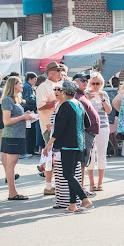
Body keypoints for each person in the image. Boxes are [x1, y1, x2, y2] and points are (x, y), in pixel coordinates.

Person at [42, 80, 93, 213]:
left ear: (64, 92)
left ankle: (84, 199)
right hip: (79, 144)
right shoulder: (79, 104)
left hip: (68, 145)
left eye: (60, 90)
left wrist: (48, 145)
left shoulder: (65, 106)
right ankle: (72, 204)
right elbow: (87, 123)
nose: (58, 92)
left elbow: (58, 130)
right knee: (71, 174)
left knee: (68, 174)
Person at [2, 76, 36, 200]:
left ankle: (12, 192)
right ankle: (12, 192)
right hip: (13, 135)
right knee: (10, 164)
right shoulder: (8, 100)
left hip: (15, 135)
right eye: (20, 83)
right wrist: (23, 117)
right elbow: (6, 120)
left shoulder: (14, 100)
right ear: (13, 85)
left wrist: (24, 116)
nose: (22, 85)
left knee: (10, 164)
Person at [36, 61, 63, 196]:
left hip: (59, 125)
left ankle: (56, 184)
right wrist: (58, 101)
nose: (60, 72)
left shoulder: (58, 84)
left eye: (60, 70)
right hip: (48, 126)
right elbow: (40, 106)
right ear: (50, 72)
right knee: (50, 156)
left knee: (57, 156)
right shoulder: (43, 87)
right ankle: (48, 185)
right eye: (58, 70)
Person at [73, 73, 100, 197]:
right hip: (84, 132)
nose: (85, 82)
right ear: (74, 82)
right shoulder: (76, 96)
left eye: (85, 80)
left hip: (88, 132)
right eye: (82, 80)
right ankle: (81, 188)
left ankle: (81, 187)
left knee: (84, 161)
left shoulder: (82, 95)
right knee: (82, 162)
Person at [85, 72, 111, 191]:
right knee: (90, 155)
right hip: (89, 127)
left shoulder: (104, 94)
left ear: (101, 84)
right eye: (93, 83)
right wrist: (87, 99)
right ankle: (91, 183)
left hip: (103, 126)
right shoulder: (86, 94)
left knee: (101, 154)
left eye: (98, 83)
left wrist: (103, 99)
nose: (95, 86)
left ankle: (100, 183)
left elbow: (109, 111)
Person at [22, 72, 37, 159]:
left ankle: (29, 149)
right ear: (30, 79)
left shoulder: (27, 86)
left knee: (29, 131)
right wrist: (37, 101)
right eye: (34, 79)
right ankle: (28, 149)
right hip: (29, 110)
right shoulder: (28, 87)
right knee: (29, 132)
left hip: (27, 109)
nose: (35, 81)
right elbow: (29, 99)